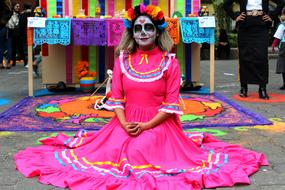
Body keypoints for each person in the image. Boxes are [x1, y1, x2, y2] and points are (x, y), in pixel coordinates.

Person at [14, 4, 268, 189]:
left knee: (138, 152)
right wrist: (124, 123)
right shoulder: (123, 59)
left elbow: (170, 105)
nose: (143, 32)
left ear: (157, 32)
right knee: (110, 154)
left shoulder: (170, 61)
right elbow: (116, 98)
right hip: (123, 122)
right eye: (138, 28)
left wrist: (145, 126)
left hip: (160, 125)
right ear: (131, 32)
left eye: (148, 27)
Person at [224, 0, 284, 100]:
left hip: (261, 25)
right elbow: (226, 4)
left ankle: (262, 88)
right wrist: (235, 17)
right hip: (245, 25)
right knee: (244, 57)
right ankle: (244, 88)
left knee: (261, 57)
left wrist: (272, 16)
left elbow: (281, 2)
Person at [272, 7, 285, 90]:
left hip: (284, 46)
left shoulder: (282, 25)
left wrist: (273, 45)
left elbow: (277, 37)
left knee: (283, 65)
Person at [18, 3, 33, 67]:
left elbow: (20, 25)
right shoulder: (33, 14)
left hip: (24, 34)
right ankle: (32, 61)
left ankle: (26, 62)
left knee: (25, 48)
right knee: (32, 48)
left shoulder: (22, 15)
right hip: (32, 33)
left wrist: (20, 34)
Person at [0, 0, 12, 69]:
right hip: (9, 29)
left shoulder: (2, 8)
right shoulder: (10, 9)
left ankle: (0, 63)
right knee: (9, 46)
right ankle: (8, 63)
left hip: (1, 28)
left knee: (1, 47)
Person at [10, 2, 20, 67]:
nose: (18, 7)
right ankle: (13, 61)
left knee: (19, 47)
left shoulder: (19, 14)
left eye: (19, 6)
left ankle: (24, 61)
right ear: (13, 7)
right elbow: (13, 23)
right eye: (17, 6)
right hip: (13, 32)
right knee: (13, 47)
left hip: (18, 32)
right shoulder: (12, 14)